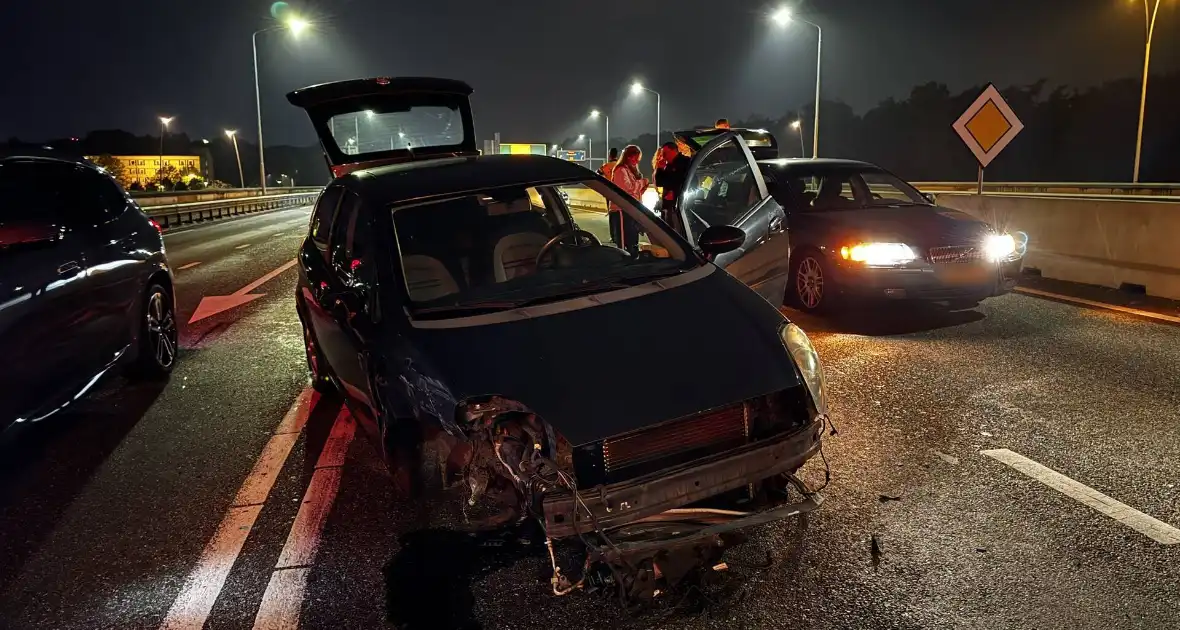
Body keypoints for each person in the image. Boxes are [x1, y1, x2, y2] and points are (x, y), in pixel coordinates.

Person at [609, 145, 648, 254]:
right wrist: (642, 182)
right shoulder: (620, 170)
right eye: (634, 157)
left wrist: (642, 186)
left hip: (630, 210)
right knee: (625, 244)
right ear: (627, 157)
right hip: (622, 211)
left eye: (638, 158)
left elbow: (635, 192)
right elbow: (628, 189)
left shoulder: (630, 170)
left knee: (633, 241)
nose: (636, 161)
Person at [653, 142, 692, 236]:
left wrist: (675, 193)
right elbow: (659, 183)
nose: (663, 156)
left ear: (673, 151)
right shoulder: (669, 165)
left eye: (665, 153)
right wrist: (660, 169)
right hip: (668, 205)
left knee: (678, 233)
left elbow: (689, 182)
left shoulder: (686, 163)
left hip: (680, 206)